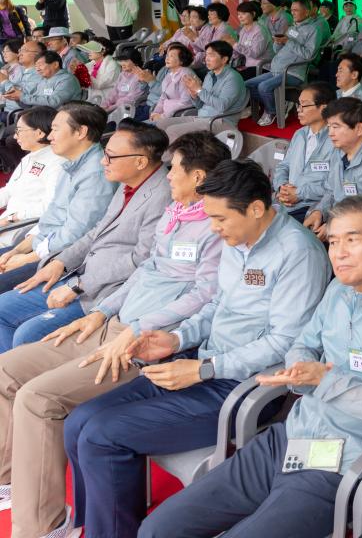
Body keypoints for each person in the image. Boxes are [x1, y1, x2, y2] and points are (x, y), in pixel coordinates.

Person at [139, 194, 362, 538]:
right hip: (291, 437)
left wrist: (325, 381)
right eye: (333, 241)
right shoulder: (340, 291)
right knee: (157, 528)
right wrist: (301, 367)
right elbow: (302, 343)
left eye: (352, 240)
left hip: (342, 460)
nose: (339, 253)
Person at [63, 160, 331, 538]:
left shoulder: (297, 254)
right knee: (79, 421)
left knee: (102, 434)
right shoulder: (238, 241)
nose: (213, 229)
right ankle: (97, 526)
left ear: (256, 209)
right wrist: (176, 339)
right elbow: (215, 307)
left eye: (220, 219)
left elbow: (284, 343)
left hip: (243, 386)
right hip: (200, 363)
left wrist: (205, 369)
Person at [0, 131, 228, 538]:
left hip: (146, 341)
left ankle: (39, 526)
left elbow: (205, 296)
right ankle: (11, 479)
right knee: (7, 370)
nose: (167, 176)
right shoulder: (177, 213)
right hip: (113, 322)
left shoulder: (218, 227)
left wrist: (138, 329)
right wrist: (101, 310)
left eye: (173, 169)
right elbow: (146, 270)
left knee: (38, 397)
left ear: (198, 177)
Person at [0, 120, 170, 352]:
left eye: (110, 156)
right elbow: (96, 231)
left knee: (28, 335)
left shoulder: (163, 197)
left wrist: (79, 286)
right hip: (78, 272)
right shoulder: (128, 181)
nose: (103, 161)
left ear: (140, 161)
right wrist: (61, 261)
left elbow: (140, 260)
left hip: (104, 290)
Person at [0, 104, 115, 292]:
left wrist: (26, 258)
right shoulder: (71, 164)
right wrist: (16, 251)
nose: (50, 136)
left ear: (81, 132)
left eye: (55, 129)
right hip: (39, 245)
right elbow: (51, 217)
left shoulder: (95, 173)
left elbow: (75, 234)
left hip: (59, 258)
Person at [303, 97, 362, 239]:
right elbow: (331, 191)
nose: (330, 133)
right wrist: (319, 212)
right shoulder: (339, 152)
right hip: (339, 222)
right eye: (329, 126)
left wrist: (335, 228)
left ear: (359, 128)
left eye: (336, 127)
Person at [154, 41, 248, 139]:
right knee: (161, 124)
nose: (206, 59)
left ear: (224, 59)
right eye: (206, 55)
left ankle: (177, 154)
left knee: (172, 131)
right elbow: (200, 106)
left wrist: (199, 90)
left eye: (211, 55)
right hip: (201, 118)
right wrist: (194, 95)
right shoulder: (209, 75)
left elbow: (222, 106)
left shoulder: (233, 78)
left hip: (220, 121)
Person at [0, 107, 65, 248]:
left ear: (39, 133)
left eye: (19, 131)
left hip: (19, 230)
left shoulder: (57, 163)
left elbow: (49, 207)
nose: (15, 136)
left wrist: (11, 219)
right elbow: (9, 190)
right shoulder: (29, 157)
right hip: (6, 223)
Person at [249, 0, 319, 126]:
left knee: (263, 87)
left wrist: (288, 42)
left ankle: (272, 111)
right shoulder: (292, 28)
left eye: (296, 10)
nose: (293, 13)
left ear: (307, 12)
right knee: (248, 85)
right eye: (292, 10)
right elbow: (278, 51)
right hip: (277, 69)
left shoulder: (313, 29)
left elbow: (309, 55)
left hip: (293, 72)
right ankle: (278, 106)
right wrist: (278, 42)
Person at [272, 82, 335, 220]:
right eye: (298, 105)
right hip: (284, 202)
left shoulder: (335, 141)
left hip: (310, 208)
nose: (299, 110)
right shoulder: (299, 134)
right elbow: (284, 166)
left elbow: (334, 186)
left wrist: (299, 194)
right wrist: (281, 187)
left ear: (323, 108)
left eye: (304, 105)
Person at [14, 50, 81, 109]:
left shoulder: (67, 79)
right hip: (41, 115)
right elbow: (31, 105)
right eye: (36, 66)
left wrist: (23, 97)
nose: (37, 69)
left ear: (55, 64)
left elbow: (54, 102)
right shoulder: (43, 80)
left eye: (40, 65)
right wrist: (18, 98)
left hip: (59, 118)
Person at [148, 43, 198, 119]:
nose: (167, 58)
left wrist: (162, 116)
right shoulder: (169, 74)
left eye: (172, 56)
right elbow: (163, 97)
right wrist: (155, 113)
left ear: (181, 61)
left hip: (176, 116)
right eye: (167, 55)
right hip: (164, 115)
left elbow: (186, 102)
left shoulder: (186, 75)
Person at [225, 0, 271, 78]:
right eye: (239, 14)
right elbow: (239, 52)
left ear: (253, 14)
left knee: (232, 78)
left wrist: (235, 44)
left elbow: (255, 54)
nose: (240, 16)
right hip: (248, 66)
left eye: (243, 14)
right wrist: (230, 47)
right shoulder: (243, 30)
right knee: (223, 73)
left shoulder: (260, 31)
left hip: (262, 67)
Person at [100, 49, 150, 120]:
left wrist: (111, 108)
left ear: (135, 62)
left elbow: (132, 99)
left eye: (126, 61)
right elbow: (114, 92)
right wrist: (106, 104)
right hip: (116, 107)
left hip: (130, 109)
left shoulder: (140, 76)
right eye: (122, 61)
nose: (122, 64)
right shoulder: (122, 74)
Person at [193, 3, 237, 68]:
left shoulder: (224, 29)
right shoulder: (213, 28)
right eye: (208, 14)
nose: (209, 17)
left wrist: (194, 38)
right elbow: (202, 48)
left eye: (212, 14)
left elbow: (212, 48)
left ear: (220, 14)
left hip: (225, 62)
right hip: (214, 60)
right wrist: (193, 38)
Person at [83, 40, 120, 105]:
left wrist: (83, 72)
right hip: (94, 98)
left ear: (103, 51)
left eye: (93, 49)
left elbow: (99, 85)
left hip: (107, 100)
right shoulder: (93, 63)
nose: (89, 52)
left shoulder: (113, 65)